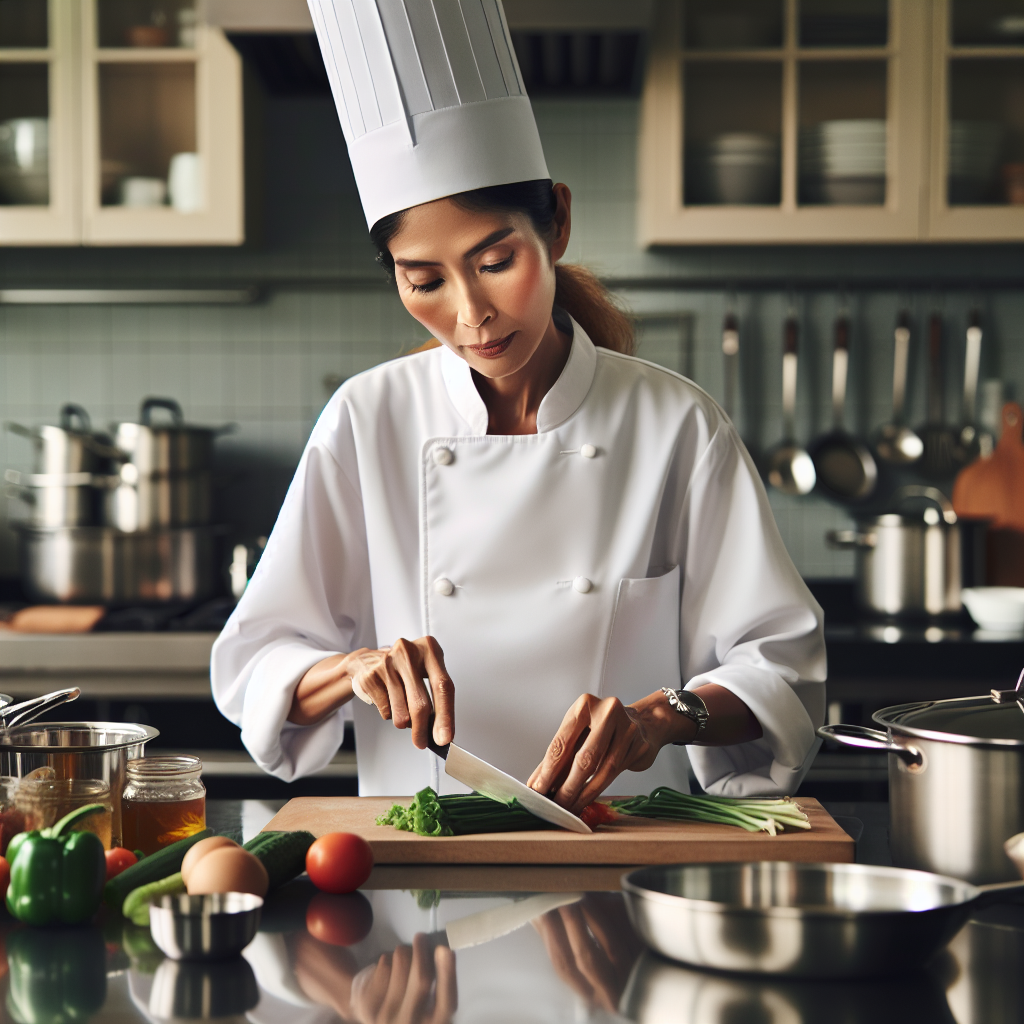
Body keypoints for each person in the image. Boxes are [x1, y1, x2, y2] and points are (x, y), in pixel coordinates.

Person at [211, 0, 826, 807]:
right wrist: (351, 669)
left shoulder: (674, 425)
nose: (470, 313)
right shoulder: (369, 419)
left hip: (626, 857)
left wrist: (660, 718)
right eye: (423, 280)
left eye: (495, 260)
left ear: (557, 223)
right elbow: (255, 664)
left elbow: (780, 666)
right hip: (415, 879)